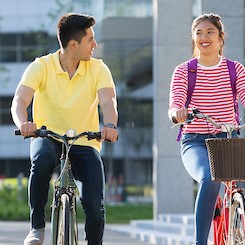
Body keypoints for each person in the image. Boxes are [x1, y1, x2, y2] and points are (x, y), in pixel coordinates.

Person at [11, 13, 118, 245]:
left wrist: (109, 125)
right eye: (90, 39)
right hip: (47, 136)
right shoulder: (41, 66)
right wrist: (24, 124)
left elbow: (109, 102)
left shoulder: (98, 68)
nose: (95, 45)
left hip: (85, 140)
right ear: (73, 44)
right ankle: (37, 227)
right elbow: (19, 101)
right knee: (40, 163)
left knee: (95, 206)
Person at [168, 13, 245, 245]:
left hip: (228, 140)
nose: (204, 37)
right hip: (196, 141)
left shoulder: (235, 69)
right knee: (209, 178)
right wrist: (177, 113)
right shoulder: (184, 71)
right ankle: (200, 242)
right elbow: (175, 103)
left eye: (210, 32)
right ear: (193, 39)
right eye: (199, 32)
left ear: (221, 38)